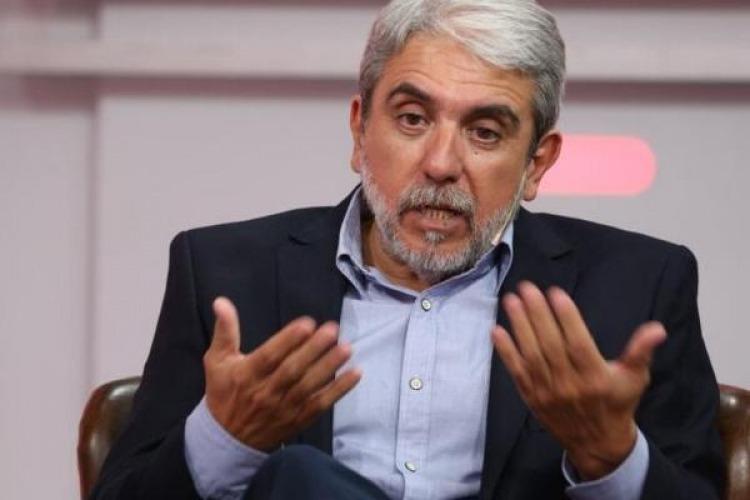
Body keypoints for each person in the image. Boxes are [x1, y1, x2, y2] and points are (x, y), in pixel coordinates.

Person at [91, 1, 724, 499]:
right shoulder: (226, 275)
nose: (441, 164)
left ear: (537, 162)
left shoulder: (638, 287)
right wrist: (224, 439)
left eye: (484, 132)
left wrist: (611, 456)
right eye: (412, 119)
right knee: (298, 480)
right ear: (359, 130)